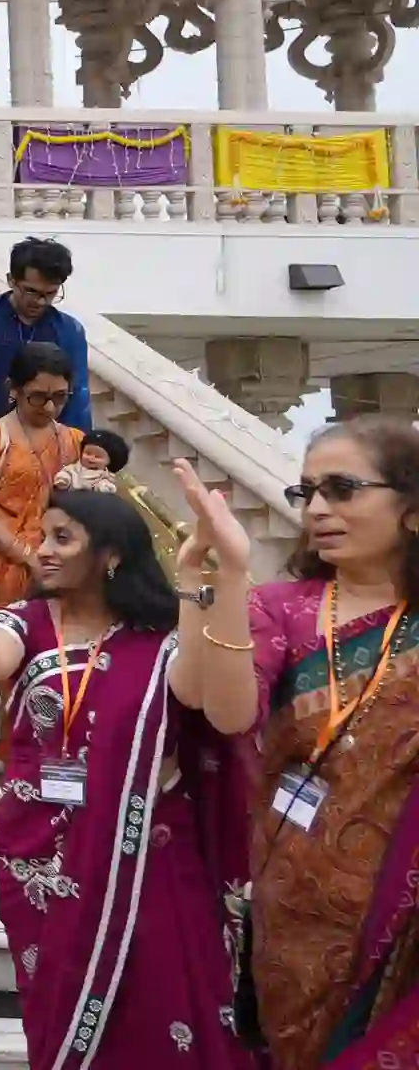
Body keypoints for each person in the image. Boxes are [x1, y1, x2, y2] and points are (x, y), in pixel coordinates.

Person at [0, 488, 256, 1070]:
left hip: (148, 845)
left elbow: (200, 696)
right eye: (43, 535)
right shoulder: (27, 621)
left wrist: (201, 580)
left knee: (164, 995)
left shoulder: (159, 635)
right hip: (43, 851)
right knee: (56, 998)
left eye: (63, 538)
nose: (44, 551)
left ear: (110, 555)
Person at [164, 420, 419, 1069]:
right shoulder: (285, 608)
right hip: (297, 911)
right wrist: (228, 574)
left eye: (343, 488)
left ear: (411, 508)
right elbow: (226, 710)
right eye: (307, 492)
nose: (318, 509)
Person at [0, 236, 92, 469]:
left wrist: (75, 459)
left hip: (47, 455)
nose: (40, 301)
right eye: (31, 291)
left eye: (50, 293)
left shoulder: (69, 331)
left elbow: (77, 399)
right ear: (11, 280)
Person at [0, 343, 86, 619]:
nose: (51, 407)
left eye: (61, 397)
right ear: (13, 389)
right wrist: (28, 556)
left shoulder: (74, 441)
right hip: (4, 566)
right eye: (38, 397)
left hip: (61, 569)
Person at [54, 428, 129, 494]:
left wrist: (104, 487)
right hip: (69, 495)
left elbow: (105, 484)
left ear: (109, 461)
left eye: (98, 456)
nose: (91, 458)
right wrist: (64, 479)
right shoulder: (75, 468)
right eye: (88, 453)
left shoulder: (104, 476)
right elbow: (67, 472)